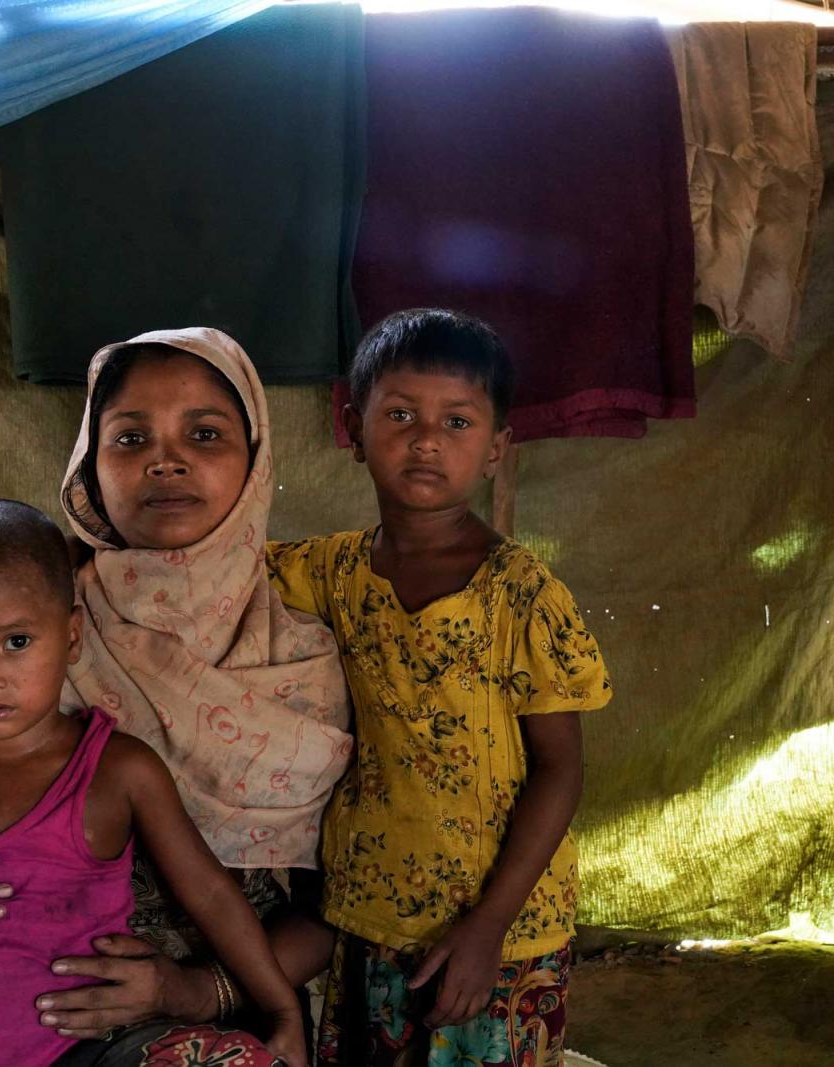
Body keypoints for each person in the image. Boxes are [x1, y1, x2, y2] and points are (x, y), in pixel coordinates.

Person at [0, 330, 353, 1051]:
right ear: (89, 468)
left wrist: (192, 990)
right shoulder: (22, 608)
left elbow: (340, 909)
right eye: (129, 438)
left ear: (256, 458)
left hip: (212, 1026)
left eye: (206, 432)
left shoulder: (305, 653)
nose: (167, 458)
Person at [0, 501, 306, 1067]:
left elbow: (210, 895)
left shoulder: (116, 770)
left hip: (79, 1055)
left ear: (72, 634)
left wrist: (282, 1011)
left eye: (16, 642)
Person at [267, 309, 612, 1066]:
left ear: (495, 450)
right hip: (366, 907)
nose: (426, 439)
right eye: (400, 415)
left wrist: (488, 926)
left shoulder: (521, 594)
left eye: (456, 421)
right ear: (355, 430)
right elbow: (215, 574)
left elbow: (560, 768)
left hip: (503, 928)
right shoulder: (328, 572)